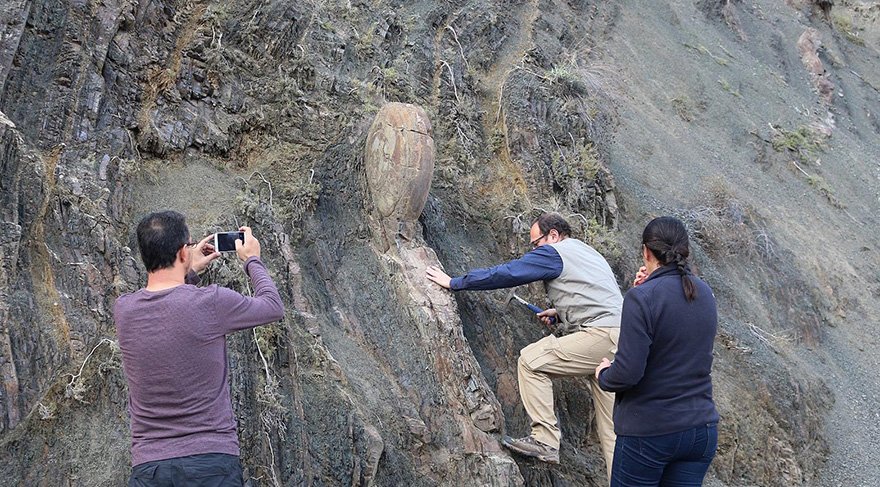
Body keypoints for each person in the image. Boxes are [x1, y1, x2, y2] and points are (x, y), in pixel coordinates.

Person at [426, 212, 622, 478]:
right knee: (612, 432)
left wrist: (455, 282)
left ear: (553, 235)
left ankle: (545, 440)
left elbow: (507, 273)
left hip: (601, 335)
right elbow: (597, 295)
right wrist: (561, 312)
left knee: (531, 361)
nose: (534, 249)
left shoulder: (554, 252)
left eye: (536, 242)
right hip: (621, 341)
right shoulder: (587, 252)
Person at [114, 211, 285, 486]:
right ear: (183, 252)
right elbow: (272, 307)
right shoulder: (212, 302)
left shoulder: (124, 310)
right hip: (211, 463)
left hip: (150, 468)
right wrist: (252, 259)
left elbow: (169, 309)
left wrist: (189, 271)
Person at [595, 216, 719, 486]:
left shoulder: (642, 298)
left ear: (646, 252)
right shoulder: (705, 293)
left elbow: (628, 373)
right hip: (701, 429)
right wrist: (647, 287)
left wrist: (604, 374)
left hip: (650, 431)